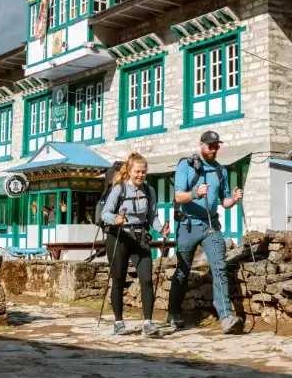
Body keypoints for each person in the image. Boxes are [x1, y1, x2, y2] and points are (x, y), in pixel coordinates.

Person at [167, 131, 245, 334]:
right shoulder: (186, 165)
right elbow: (178, 196)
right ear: (201, 145)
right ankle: (174, 313)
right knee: (183, 271)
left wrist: (234, 199)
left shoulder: (221, 171)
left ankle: (227, 317)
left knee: (219, 268)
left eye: (216, 145)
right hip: (188, 225)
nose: (214, 149)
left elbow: (224, 202)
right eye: (210, 145)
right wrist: (195, 193)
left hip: (211, 227)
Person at [100, 152, 169, 337]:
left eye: (143, 172)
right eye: (137, 171)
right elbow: (104, 213)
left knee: (146, 279)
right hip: (119, 237)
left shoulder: (149, 191)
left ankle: (148, 323)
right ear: (129, 171)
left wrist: (161, 229)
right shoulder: (119, 189)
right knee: (119, 280)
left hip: (140, 237)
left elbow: (152, 217)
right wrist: (116, 218)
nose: (140, 175)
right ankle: (118, 322)